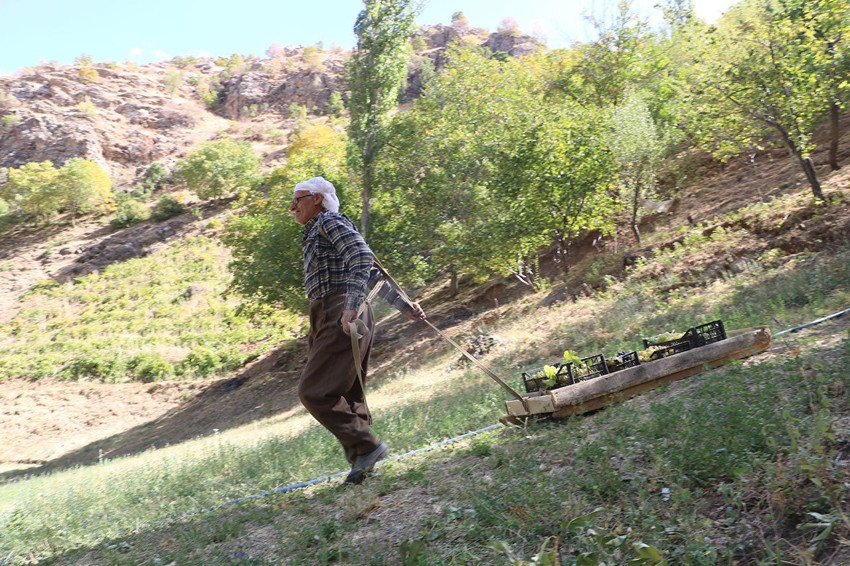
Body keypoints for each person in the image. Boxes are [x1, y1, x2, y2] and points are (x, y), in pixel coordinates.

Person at [289, 176, 426, 485]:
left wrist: (350, 307)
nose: (292, 207)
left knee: (314, 391)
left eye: (297, 200)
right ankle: (363, 463)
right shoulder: (319, 228)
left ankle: (367, 448)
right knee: (347, 392)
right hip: (331, 311)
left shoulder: (329, 221)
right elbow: (371, 271)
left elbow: (362, 258)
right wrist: (403, 305)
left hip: (340, 311)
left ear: (317, 199)